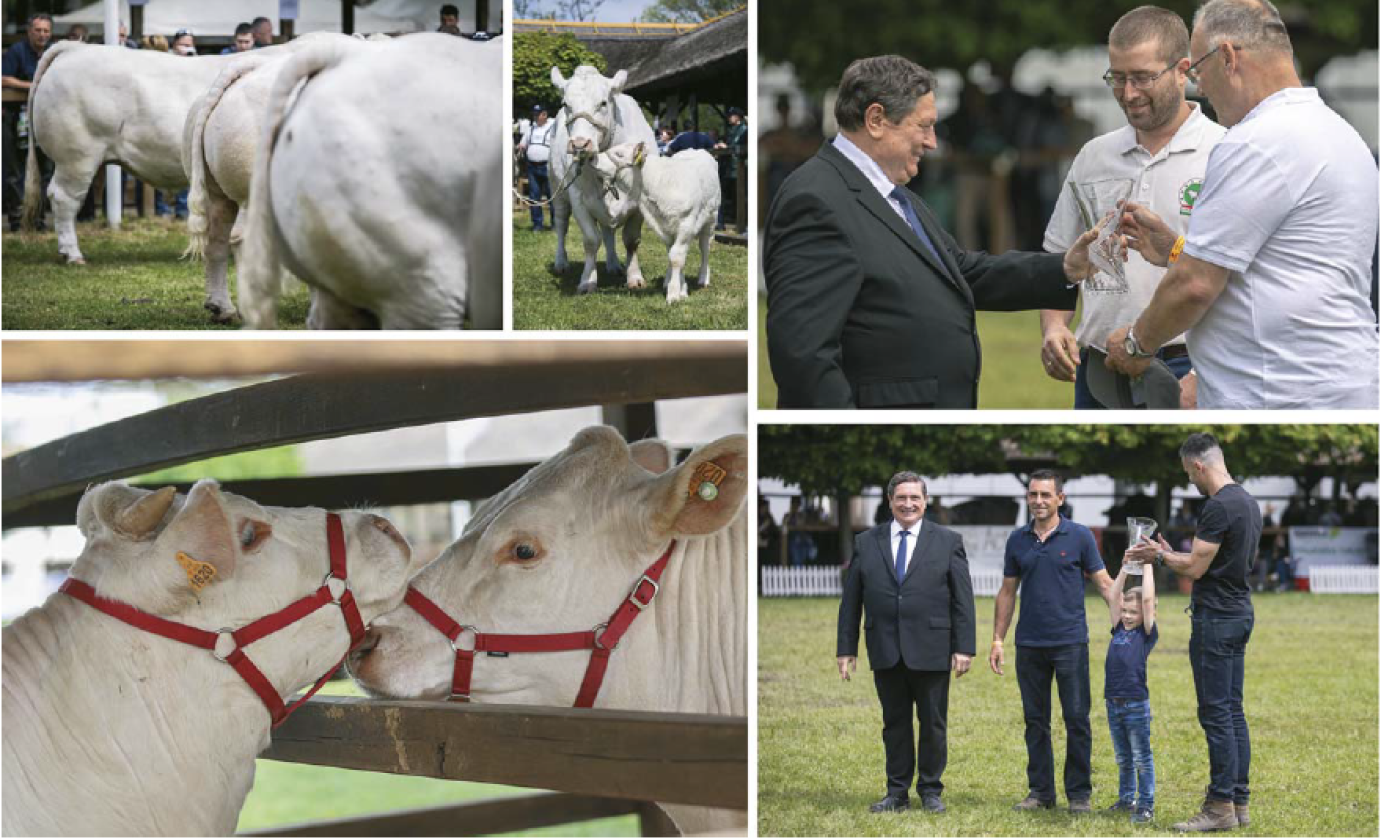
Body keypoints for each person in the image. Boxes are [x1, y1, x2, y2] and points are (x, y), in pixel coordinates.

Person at [763, 55, 1103, 409]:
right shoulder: (815, 200)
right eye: (923, 126)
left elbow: (962, 272)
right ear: (876, 120)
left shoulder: (895, 195)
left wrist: (1064, 268)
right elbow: (803, 356)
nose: (932, 142)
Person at [1106, 0, 1379, 409]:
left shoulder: (1258, 141)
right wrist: (1175, 250)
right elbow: (1279, 267)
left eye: (1197, 70)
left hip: (1283, 395)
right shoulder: (1339, 133)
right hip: (1332, 382)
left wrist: (1136, 344)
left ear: (1229, 57)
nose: (1202, 88)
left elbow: (1195, 285)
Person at [1041, 6, 1225, 409]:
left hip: (1185, 366)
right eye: (1117, 78)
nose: (1128, 93)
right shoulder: (1093, 156)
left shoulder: (1225, 152)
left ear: (1183, 70)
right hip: (1098, 370)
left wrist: (1200, 377)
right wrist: (1054, 326)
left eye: (1142, 77)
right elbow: (1059, 257)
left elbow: (1240, 284)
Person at [1128, 432, 1260, 831]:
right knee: (1233, 712)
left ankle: (1219, 806)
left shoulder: (1218, 506)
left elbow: (1196, 568)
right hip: (1239, 611)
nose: (1190, 481)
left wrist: (1158, 556)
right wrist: (1171, 551)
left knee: (1216, 714)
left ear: (1200, 465)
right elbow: (1204, 559)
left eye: (1189, 474)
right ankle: (1238, 802)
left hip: (1216, 618)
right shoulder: (1247, 502)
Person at [836, 472, 975, 814]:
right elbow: (851, 600)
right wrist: (846, 648)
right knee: (894, 725)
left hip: (932, 647)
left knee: (933, 724)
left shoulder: (948, 541)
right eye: (901, 498)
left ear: (925, 501)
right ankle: (896, 792)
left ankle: (930, 790)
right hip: (885, 647)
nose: (908, 504)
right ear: (890, 502)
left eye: (915, 498)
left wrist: (964, 647)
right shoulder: (866, 542)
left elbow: (963, 600)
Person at [990, 470, 1115, 813]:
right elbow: (1007, 591)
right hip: (1029, 644)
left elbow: (1104, 583)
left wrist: (1127, 617)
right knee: (1035, 721)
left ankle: (1079, 794)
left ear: (1060, 498)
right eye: (1033, 495)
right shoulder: (1017, 540)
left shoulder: (1080, 537)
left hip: (1070, 642)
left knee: (1077, 719)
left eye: (1046, 495)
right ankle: (1041, 792)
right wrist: (998, 639)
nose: (1039, 501)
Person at [1103, 550, 1158, 824]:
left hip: (1135, 704)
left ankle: (1146, 804)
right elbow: (1113, 595)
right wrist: (1125, 567)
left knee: (1141, 757)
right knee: (1123, 757)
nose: (1126, 615)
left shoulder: (1144, 633)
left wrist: (1147, 565)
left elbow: (1147, 599)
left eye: (1132, 612)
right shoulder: (1119, 628)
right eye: (1125, 610)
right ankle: (1127, 799)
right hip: (1113, 703)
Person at [3, 13, 52, 232]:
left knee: (44, 170)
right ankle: (17, 219)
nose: (42, 35)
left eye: (46, 31)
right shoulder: (17, 51)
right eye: (38, 30)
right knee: (15, 171)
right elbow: (4, 78)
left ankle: (38, 219)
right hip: (14, 119)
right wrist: (32, 86)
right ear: (29, 31)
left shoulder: (52, 55)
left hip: (44, 120)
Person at [517, 104, 555, 232]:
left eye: (537, 114)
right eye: (534, 114)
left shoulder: (552, 127)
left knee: (552, 196)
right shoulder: (531, 128)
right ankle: (537, 224)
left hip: (548, 166)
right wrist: (521, 146)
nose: (535, 116)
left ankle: (555, 224)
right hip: (532, 167)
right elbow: (523, 143)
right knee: (534, 197)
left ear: (544, 115)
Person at [715, 106, 747, 230]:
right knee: (723, 196)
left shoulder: (744, 130)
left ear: (737, 116)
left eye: (731, 115)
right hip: (729, 168)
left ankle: (741, 224)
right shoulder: (733, 130)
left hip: (738, 168)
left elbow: (737, 146)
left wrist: (726, 147)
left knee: (740, 197)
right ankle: (721, 223)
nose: (729, 118)